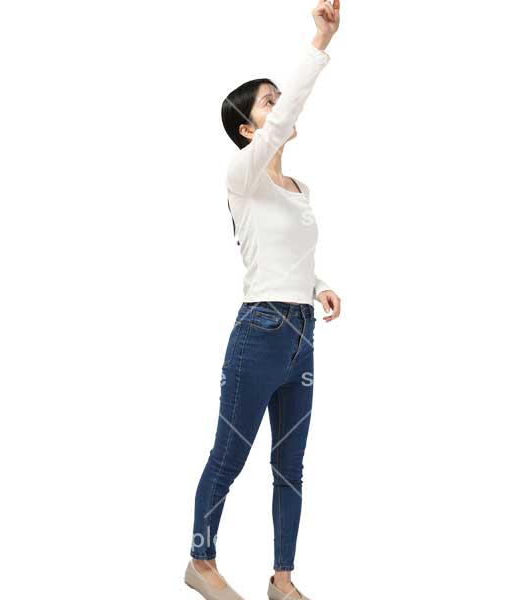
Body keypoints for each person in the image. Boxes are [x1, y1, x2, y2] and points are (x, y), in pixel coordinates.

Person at [185, 2, 342, 598]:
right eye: (268, 103)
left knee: (290, 466)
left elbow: (286, 257)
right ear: (249, 130)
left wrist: (319, 285)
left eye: (280, 98)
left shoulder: (298, 189)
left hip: (300, 335)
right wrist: (318, 43)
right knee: (229, 456)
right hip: (259, 334)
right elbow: (283, 122)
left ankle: (282, 579)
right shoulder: (242, 176)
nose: (279, 109)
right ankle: (200, 562)